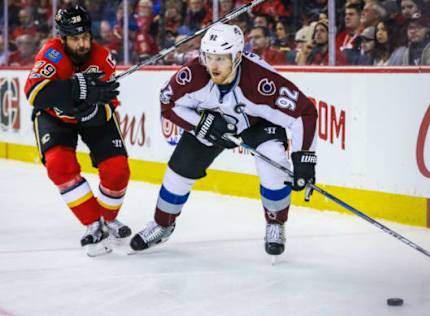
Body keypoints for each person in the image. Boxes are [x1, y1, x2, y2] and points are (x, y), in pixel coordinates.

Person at [130, 22, 318, 257]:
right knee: (179, 170)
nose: (213, 65)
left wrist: (304, 160)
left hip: (258, 123)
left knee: (274, 164)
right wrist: (201, 124)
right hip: (212, 121)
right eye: (209, 57)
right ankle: (162, 224)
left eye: (221, 58)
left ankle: (275, 223)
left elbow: (304, 113)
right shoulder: (193, 75)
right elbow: (168, 105)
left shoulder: (261, 81)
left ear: (237, 56)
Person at [23, 5, 131, 256]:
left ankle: (107, 219)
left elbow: (108, 106)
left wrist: (91, 111)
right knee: (59, 166)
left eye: (85, 37)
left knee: (117, 170)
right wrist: (76, 88)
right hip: (54, 118)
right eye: (75, 39)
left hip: (92, 118)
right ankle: (93, 224)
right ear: (62, 38)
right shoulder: (51, 54)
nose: (83, 44)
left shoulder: (102, 57)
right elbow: (35, 93)